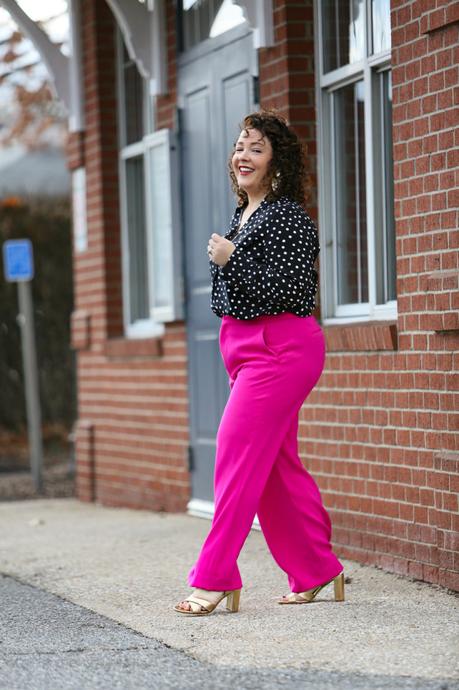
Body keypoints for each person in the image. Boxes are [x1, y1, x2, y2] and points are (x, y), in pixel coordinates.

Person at [174, 110, 344, 616]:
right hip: (247, 353)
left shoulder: (288, 217)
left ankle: (215, 576)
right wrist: (231, 263)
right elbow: (232, 299)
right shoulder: (242, 216)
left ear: (276, 163)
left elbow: (293, 293)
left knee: (232, 451)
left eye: (256, 148)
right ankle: (318, 570)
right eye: (240, 146)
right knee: (274, 468)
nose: (242, 156)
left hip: (282, 350)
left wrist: (233, 260)